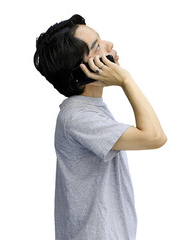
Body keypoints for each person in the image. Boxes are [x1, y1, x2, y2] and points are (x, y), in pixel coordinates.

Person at [33, 14, 167, 240]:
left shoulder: (90, 109)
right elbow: (154, 137)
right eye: (97, 46)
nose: (109, 44)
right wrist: (126, 80)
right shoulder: (78, 117)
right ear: (82, 71)